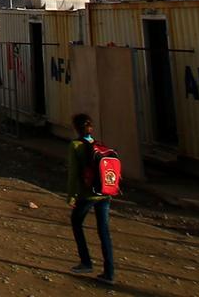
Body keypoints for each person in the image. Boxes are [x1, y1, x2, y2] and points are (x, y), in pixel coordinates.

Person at [66, 113, 115, 285]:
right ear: (90, 128)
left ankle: (86, 262)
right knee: (104, 232)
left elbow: (73, 174)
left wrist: (71, 196)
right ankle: (109, 273)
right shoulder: (98, 145)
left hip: (87, 194)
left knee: (76, 223)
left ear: (75, 128)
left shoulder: (75, 145)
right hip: (105, 193)